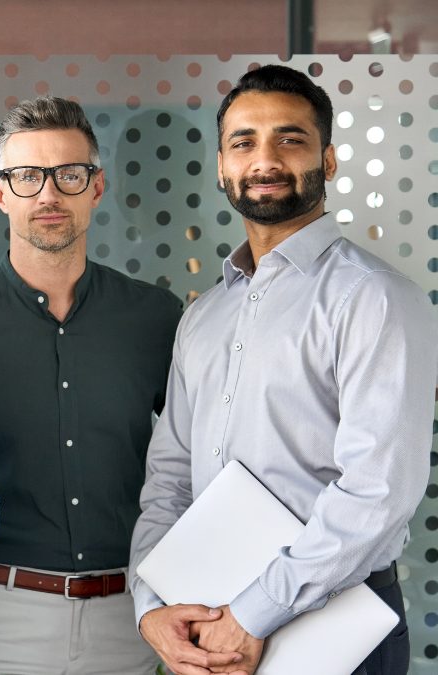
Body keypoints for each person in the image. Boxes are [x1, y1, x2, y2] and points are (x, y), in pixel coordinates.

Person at [130, 64, 438, 675]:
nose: (264, 159)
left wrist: (254, 614)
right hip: (211, 624)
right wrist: (151, 604)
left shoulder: (374, 298)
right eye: (244, 142)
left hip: (335, 626)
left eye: (290, 139)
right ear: (222, 165)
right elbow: (169, 481)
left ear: (327, 161)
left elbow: (377, 494)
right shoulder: (204, 317)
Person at [0, 97, 180, 674]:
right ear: (1, 193)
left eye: (69, 175)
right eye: (28, 177)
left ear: (97, 187)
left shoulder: (156, 319)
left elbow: (198, 459)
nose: (49, 195)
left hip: (129, 617)